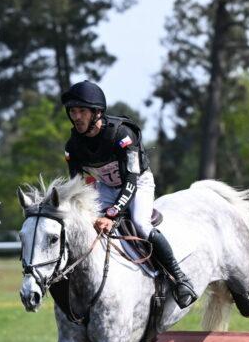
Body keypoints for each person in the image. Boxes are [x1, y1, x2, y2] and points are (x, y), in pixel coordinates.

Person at [61, 79, 198, 308]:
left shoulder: (122, 134)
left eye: (81, 111)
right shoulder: (73, 146)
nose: (76, 117)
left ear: (97, 112)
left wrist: (111, 215)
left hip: (138, 183)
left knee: (140, 224)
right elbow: (78, 187)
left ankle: (180, 279)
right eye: (72, 111)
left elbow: (131, 180)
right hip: (105, 187)